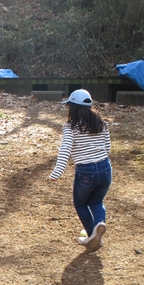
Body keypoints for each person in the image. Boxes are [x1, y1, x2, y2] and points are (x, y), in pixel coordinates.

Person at [50, 89, 111, 252]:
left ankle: (92, 235)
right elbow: (107, 147)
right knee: (97, 202)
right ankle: (99, 225)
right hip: (105, 168)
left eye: (68, 106)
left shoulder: (71, 127)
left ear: (73, 108)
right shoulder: (101, 123)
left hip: (86, 171)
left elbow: (65, 150)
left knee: (81, 203)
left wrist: (57, 172)